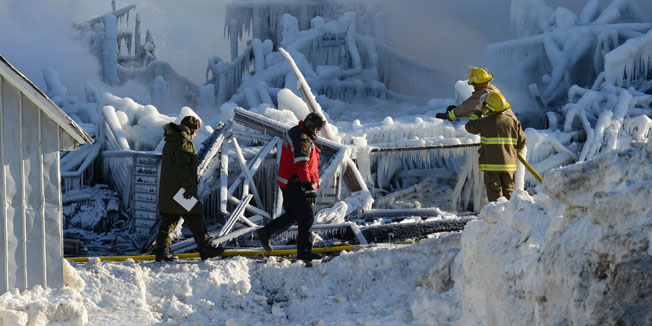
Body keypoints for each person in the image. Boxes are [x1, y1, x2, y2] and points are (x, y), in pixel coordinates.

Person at [256, 112, 326, 263]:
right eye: (318, 128)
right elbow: (301, 163)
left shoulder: (298, 132)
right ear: (312, 126)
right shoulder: (302, 138)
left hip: (290, 182)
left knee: (294, 214)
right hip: (297, 183)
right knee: (307, 217)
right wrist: (307, 186)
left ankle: (266, 233)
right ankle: (304, 253)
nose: (318, 132)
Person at [154, 115, 224, 261]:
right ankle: (205, 248)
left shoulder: (171, 141)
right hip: (181, 191)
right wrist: (189, 188)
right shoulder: (183, 143)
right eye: (196, 132)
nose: (195, 135)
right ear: (191, 130)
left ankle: (162, 250)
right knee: (194, 216)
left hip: (171, 189)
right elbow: (183, 169)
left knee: (171, 219)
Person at [464, 92, 526, 202]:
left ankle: (496, 217)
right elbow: (521, 143)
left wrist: (478, 111)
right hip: (509, 166)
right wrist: (511, 154)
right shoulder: (514, 122)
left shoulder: (485, 122)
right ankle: (510, 216)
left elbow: (470, 127)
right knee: (509, 192)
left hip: (491, 165)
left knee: (495, 194)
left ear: (489, 107)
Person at [437, 66, 502, 121]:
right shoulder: (493, 88)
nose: (473, 87)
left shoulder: (481, 94)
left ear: (478, 83)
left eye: (474, 84)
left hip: (493, 125)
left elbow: (465, 108)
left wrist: (448, 116)